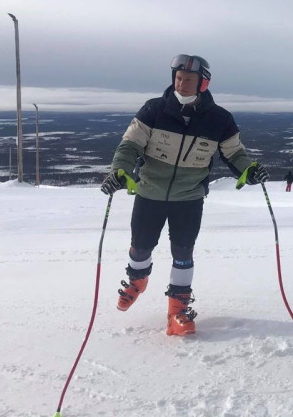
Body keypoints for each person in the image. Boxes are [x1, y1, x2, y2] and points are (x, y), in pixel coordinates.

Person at [100, 54, 269, 336]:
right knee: (140, 247)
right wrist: (120, 170)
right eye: (178, 78)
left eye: (189, 79)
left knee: (183, 253)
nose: (182, 84)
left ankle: (176, 314)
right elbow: (130, 145)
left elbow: (235, 152)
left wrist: (248, 170)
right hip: (149, 192)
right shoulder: (154, 110)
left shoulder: (219, 119)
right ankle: (136, 281)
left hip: (188, 198)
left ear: (203, 83)